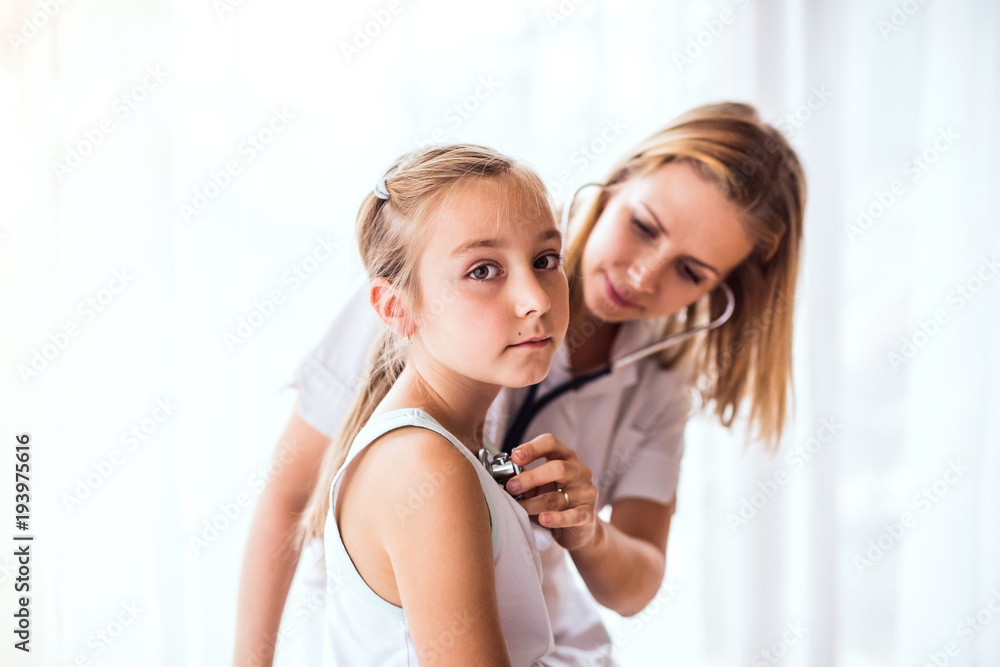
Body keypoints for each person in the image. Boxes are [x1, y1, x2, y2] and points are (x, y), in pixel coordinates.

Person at [233, 102, 806, 666]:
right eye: (643, 227)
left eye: (690, 272)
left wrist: (586, 528)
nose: (642, 275)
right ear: (612, 189)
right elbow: (288, 496)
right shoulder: (433, 264)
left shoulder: (657, 385)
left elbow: (635, 585)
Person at [316, 143, 569, 665]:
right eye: (483, 270)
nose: (538, 299)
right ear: (397, 308)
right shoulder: (423, 467)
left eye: (545, 260)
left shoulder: (454, 447)